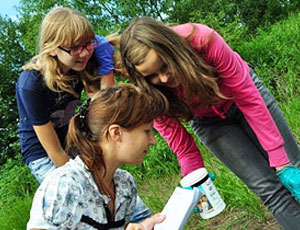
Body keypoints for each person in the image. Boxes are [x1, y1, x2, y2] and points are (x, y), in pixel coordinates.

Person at [117, 17, 300, 229]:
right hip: (209, 122)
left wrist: (281, 161)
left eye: (164, 66)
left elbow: (248, 99)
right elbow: (183, 147)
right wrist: (195, 182)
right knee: (269, 190)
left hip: (246, 98)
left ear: (174, 50)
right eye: (152, 76)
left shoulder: (203, 40)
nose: (164, 78)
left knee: (293, 168)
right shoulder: (150, 94)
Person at [16, 6, 151, 223]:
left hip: (73, 141)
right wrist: (92, 182)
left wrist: (105, 63)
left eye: (88, 44)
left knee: (123, 197)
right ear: (52, 49)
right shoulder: (31, 85)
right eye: (75, 48)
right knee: (83, 204)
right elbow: (56, 154)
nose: (85, 52)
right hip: (44, 154)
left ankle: (143, 220)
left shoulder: (82, 60)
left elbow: (103, 109)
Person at [27, 84, 167, 230]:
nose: (153, 141)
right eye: (147, 131)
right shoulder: (65, 186)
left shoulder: (125, 185)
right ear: (116, 133)